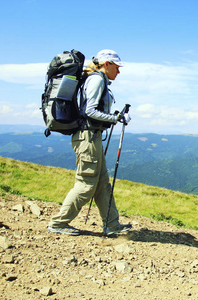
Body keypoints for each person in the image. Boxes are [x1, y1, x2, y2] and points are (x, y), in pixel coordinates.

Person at [48, 49, 132, 236]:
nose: (118, 71)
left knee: (102, 183)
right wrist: (114, 118)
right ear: (106, 64)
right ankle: (58, 223)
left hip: (91, 137)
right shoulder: (96, 80)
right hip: (88, 137)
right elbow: (90, 111)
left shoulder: (97, 79)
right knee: (86, 184)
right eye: (116, 67)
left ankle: (112, 224)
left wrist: (113, 117)